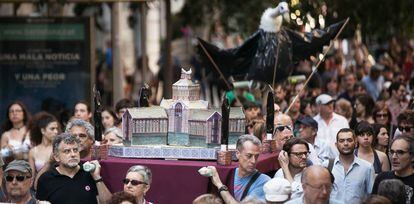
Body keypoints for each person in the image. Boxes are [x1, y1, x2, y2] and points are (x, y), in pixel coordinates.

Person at [36, 133, 111, 204]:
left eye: (75, 150)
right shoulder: (46, 179)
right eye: (67, 151)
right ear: (56, 157)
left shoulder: (89, 172)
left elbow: (108, 203)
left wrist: (97, 178)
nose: (73, 154)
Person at [208, 135, 271, 203]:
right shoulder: (229, 174)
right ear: (237, 154)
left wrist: (219, 185)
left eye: (256, 156)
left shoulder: (264, 181)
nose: (253, 161)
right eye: (249, 156)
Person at [329, 128, 375, 203]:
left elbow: (371, 196)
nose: (346, 143)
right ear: (336, 145)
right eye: (341, 141)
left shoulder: (367, 168)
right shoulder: (328, 165)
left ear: (356, 143)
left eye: (349, 140)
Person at [372, 135, 414, 204]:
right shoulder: (382, 178)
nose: (394, 157)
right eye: (392, 152)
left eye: (400, 152)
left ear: (412, 157)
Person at [28, 112, 60, 179]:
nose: (56, 131)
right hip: (39, 186)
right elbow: (31, 177)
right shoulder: (33, 151)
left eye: (57, 128)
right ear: (43, 131)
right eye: (52, 129)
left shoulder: (59, 148)